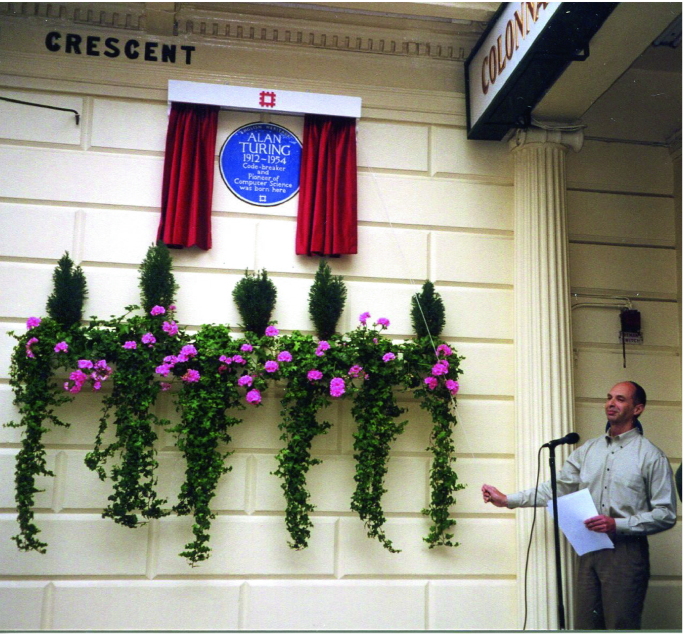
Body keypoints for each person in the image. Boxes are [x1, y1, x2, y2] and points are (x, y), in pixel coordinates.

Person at [482, 381, 677, 630]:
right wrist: (508, 500)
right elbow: (556, 487)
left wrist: (617, 524)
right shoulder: (588, 450)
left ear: (637, 408)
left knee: (621, 625)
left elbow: (666, 514)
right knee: (585, 625)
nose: (610, 403)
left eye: (620, 399)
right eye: (608, 397)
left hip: (626, 552)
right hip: (589, 551)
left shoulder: (651, 455)